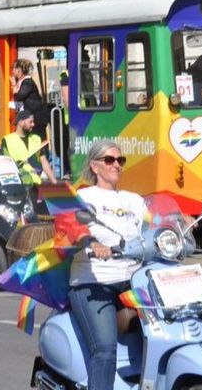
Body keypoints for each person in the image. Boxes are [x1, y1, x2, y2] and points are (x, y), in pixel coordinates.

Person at [68, 140, 147, 390]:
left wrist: (179, 222)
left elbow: (154, 223)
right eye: (109, 160)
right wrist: (91, 242)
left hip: (132, 281)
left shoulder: (133, 199)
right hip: (94, 282)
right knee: (104, 349)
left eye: (120, 160)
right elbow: (72, 227)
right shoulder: (84, 196)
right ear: (94, 165)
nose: (116, 165)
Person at [1, 109, 58, 198]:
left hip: (36, 186)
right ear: (21, 122)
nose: (33, 124)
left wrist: (55, 183)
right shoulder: (7, 140)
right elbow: (5, 166)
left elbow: (44, 162)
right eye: (30, 122)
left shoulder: (36, 139)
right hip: (19, 187)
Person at [12, 58, 49, 139]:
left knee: (37, 140)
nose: (12, 71)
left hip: (36, 119)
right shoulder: (23, 82)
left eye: (14, 68)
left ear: (19, 70)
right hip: (32, 118)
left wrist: (14, 86)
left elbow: (19, 97)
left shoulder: (27, 82)